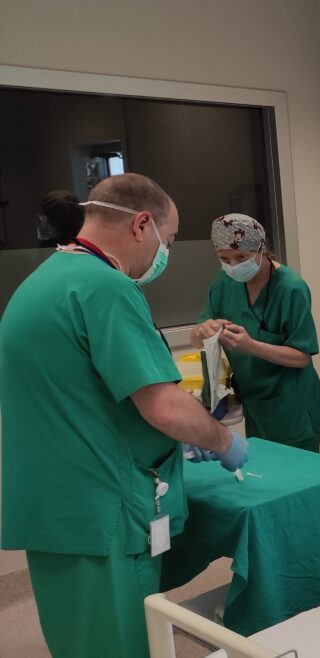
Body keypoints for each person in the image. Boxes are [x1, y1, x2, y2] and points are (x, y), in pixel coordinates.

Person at [0, 173, 248, 658]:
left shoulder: (45, 281)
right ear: (141, 225)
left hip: (55, 507)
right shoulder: (105, 287)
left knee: (80, 639)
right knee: (122, 642)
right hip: (102, 511)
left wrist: (177, 439)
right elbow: (163, 406)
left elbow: (80, 394)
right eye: (168, 240)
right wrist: (222, 439)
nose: (165, 253)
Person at [191, 214, 320, 452]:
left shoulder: (290, 288)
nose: (233, 266)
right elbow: (196, 339)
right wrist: (201, 331)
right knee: (265, 471)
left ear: (261, 248)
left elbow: (301, 357)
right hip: (255, 406)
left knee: (296, 472)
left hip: (293, 409)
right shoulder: (224, 282)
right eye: (224, 259)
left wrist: (251, 346)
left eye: (241, 257)